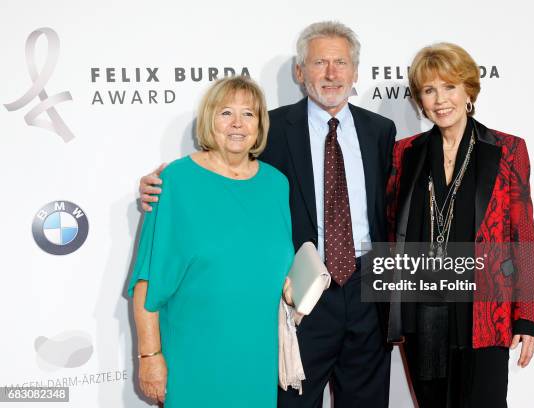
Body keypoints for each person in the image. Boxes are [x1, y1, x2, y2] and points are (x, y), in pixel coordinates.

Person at [140, 21, 395, 408]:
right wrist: (156, 190)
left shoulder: (381, 130)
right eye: (319, 62)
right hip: (300, 301)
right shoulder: (269, 128)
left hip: (367, 293)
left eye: (341, 63)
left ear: (355, 71)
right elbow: (222, 172)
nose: (331, 73)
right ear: (299, 71)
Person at [385, 43, 534, 407]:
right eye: (429, 90)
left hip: (486, 312)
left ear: (469, 91)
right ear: (419, 100)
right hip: (425, 316)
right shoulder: (404, 152)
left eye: (449, 87)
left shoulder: (507, 149)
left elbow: (524, 238)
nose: (440, 99)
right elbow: (394, 231)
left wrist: (528, 317)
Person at [129, 76, 294, 407]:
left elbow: (278, 266)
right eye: (225, 113)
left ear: (260, 124)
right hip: (193, 354)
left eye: (248, 114)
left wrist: (294, 287)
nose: (237, 123)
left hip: (257, 356)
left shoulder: (277, 184)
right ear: (209, 120)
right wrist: (149, 356)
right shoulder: (175, 180)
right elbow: (147, 279)